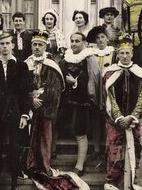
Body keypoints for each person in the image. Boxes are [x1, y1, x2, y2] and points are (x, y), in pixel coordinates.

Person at [0, 32, 31, 190]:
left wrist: (24, 114)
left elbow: (25, 92)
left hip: (14, 108)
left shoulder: (21, 65)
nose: (4, 47)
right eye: (2, 44)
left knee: (14, 146)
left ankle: (14, 184)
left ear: (13, 45)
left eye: (8, 43)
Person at [103, 35, 142, 190]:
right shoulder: (110, 73)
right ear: (117, 54)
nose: (124, 56)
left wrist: (132, 117)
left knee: (135, 149)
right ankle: (113, 183)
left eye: (127, 53)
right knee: (114, 150)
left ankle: (132, 183)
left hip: (133, 121)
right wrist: (119, 118)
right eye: (121, 53)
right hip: (114, 121)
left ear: (132, 54)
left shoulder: (139, 72)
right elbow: (110, 97)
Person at [58, 32, 101, 177]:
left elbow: (92, 82)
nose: (74, 44)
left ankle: (79, 165)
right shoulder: (66, 59)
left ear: (84, 43)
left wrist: (74, 82)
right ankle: (51, 158)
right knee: (58, 127)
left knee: (80, 132)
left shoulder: (89, 59)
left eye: (77, 41)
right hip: (66, 101)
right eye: (72, 41)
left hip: (82, 101)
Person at [25, 30, 65, 175]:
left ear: (45, 47)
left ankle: (44, 166)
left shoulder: (51, 64)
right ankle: (30, 165)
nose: (37, 47)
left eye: (40, 45)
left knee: (45, 136)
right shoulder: (26, 64)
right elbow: (21, 86)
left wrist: (40, 102)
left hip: (45, 105)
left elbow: (54, 87)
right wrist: (31, 100)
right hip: (30, 105)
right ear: (31, 46)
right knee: (30, 136)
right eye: (34, 44)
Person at [86, 26, 117, 161]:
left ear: (107, 38)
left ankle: (107, 148)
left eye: (102, 37)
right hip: (94, 90)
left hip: (108, 90)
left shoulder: (113, 54)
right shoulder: (90, 55)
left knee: (108, 119)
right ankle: (96, 149)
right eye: (98, 38)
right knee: (95, 121)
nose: (100, 40)